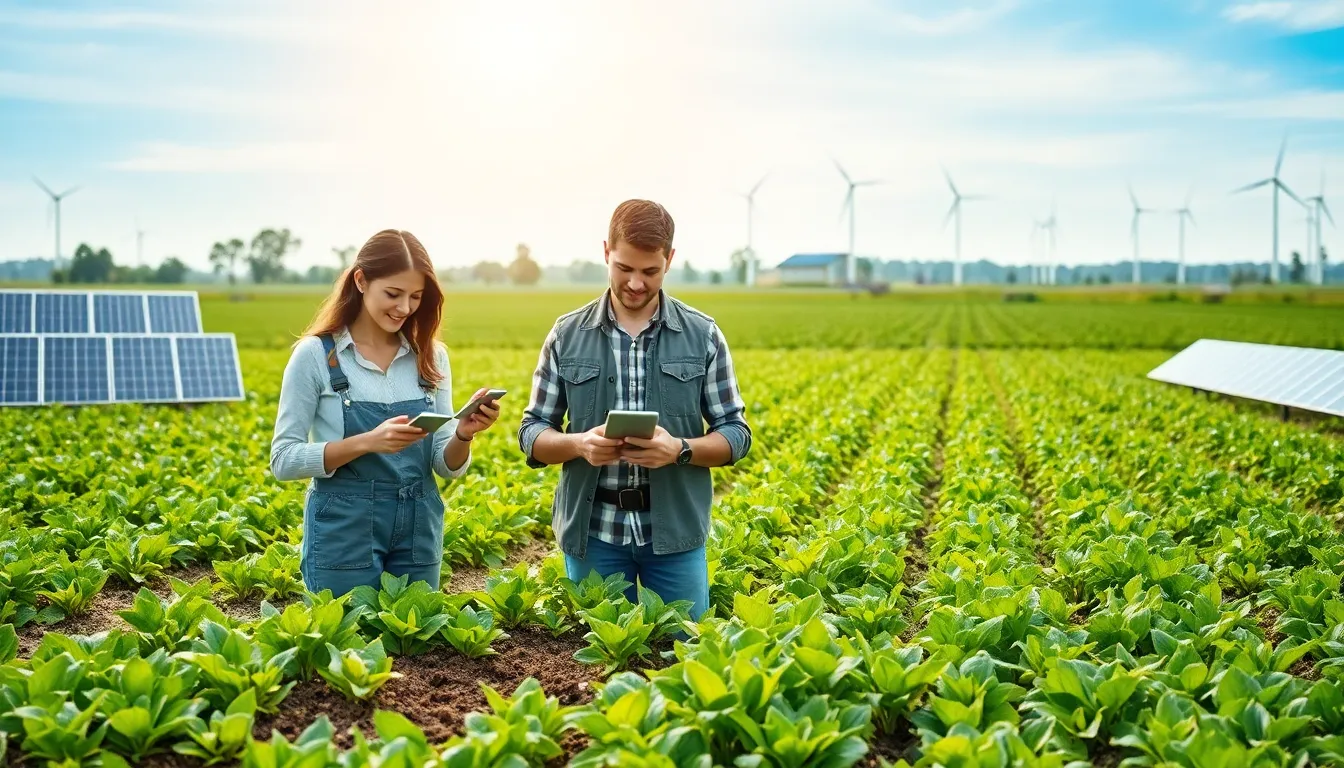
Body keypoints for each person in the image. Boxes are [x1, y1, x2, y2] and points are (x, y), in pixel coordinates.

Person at [517, 199, 751, 620]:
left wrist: (679, 449)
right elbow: (532, 432)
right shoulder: (566, 334)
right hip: (594, 533)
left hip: (675, 534)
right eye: (624, 268)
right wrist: (578, 444)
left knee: (686, 650)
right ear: (606, 252)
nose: (636, 284)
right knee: (606, 663)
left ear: (670, 260)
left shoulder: (704, 335)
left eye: (650, 271)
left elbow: (735, 433)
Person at [270, 229, 499, 596]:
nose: (404, 308)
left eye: (415, 297)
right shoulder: (315, 355)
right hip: (344, 528)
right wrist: (367, 442)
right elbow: (283, 460)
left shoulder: (431, 356)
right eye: (393, 294)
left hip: (419, 526)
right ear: (361, 280)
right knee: (350, 643)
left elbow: (445, 465)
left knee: (415, 647)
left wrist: (463, 433)